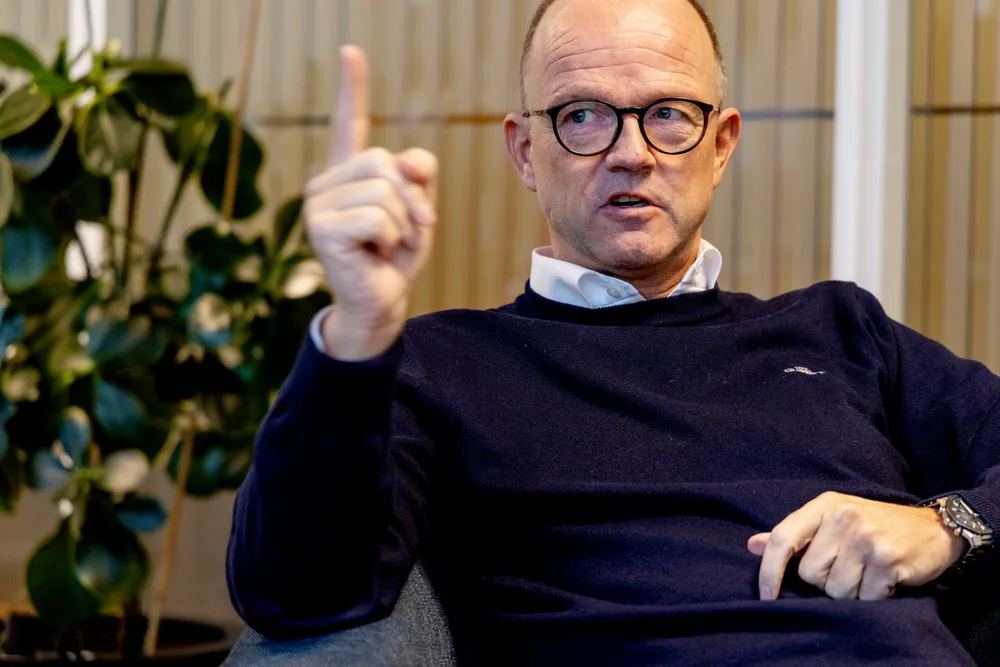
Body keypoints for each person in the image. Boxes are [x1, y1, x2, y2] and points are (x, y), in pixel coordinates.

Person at [226, 0, 999, 664]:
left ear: (721, 145)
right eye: (583, 115)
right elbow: (298, 593)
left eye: (669, 114)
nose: (631, 154)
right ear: (526, 152)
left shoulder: (843, 331)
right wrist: (358, 331)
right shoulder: (439, 363)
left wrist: (949, 527)